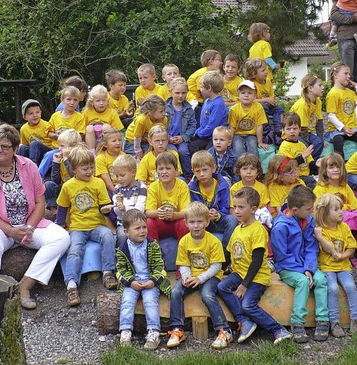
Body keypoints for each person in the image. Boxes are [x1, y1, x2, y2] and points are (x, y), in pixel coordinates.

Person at [0, 124, 70, 310]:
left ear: (15, 149)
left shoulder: (28, 166)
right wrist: (10, 230)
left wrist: (30, 228)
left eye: (4, 146)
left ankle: (25, 287)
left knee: (61, 238)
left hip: (27, 225)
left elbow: (41, 203)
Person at [217, 187, 293, 344]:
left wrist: (244, 285)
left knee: (248, 305)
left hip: (256, 276)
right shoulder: (238, 229)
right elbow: (228, 254)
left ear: (253, 209)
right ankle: (245, 322)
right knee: (222, 287)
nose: (236, 211)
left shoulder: (257, 230)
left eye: (241, 207)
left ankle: (279, 330)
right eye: (235, 206)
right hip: (239, 272)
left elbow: (257, 260)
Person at [56, 146, 117, 307]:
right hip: (77, 227)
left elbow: (105, 205)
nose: (90, 171)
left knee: (108, 236)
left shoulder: (98, 183)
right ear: (74, 169)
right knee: (75, 248)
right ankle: (71, 285)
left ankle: (108, 272)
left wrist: (111, 217)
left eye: (92, 167)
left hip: (97, 225)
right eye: (85, 168)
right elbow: (62, 208)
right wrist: (60, 225)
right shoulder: (68, 186)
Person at [168, 202, 233, 350]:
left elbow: (217, 266)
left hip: (211, 275)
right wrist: (186, 276)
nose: (196, 226)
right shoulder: (184, 241)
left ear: (207, 222)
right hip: (192, 275)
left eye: (199, 222)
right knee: (176, 292)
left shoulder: (213, 241)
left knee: (207, 294)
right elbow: (183, 263)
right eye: (192, 222)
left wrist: (200, 279)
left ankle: (224, 330)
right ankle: (177, 329)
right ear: (186, 223)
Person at [271, 185, 329, 343]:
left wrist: (309, 268)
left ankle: (323, 320)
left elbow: (311, 247)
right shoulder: (280, 227)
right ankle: (297, 322)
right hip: (287, 267)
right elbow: (282, 257)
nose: (311, 212)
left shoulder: (308, 221)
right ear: (295, 210)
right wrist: (303, 272)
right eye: (309, 209)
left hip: (306, 265)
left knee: (321, 280)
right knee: (302, 282)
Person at [116, 209, 170, 350]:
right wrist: (131, 282)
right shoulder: (122, 249)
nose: (142, 231)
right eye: (137, 228)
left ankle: (153, 332)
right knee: (127, 301)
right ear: (126, 232)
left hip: (149, 280)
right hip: (132, 281)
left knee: (150, 301)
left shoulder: (152, 245)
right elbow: (120, 269)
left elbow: (160, 265)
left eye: (144, 227)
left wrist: (153, 281)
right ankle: (125, 331)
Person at [313, 193, 357, 337]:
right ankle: (334, 322)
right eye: (336, 209)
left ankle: (356, 320)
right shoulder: (320, 230)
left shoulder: (344, 227)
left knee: (351, 287)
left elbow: (351, 247)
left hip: (343, 266)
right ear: (324, 213)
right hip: (327, 267)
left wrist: (343, 256)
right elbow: (327, 248)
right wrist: (321, 238)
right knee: (332, 289)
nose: (341, 211)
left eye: (341, 208)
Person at [313, 153, 357, 266]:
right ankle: (344, 249)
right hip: (329, 220)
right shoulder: (321, 188)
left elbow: (355, 206)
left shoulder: (345, 186)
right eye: (331, 167)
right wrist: (346, 210)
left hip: (346, 217)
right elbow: (319, 209)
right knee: (348, 215)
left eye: (338, 167)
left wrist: (354, 212)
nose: (336, 170)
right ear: (325, 170)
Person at [188, 151, 238, 255]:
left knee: (232, 220)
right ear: (193, 171)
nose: (202, 174)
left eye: (205, 170)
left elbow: (226, 207)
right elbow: (190, 209)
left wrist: (218, 215)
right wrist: (201, 216)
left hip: (217, 221)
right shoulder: (191, 188)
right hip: (200, 222)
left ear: (213, 168)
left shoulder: (223, 185)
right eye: (198, 171)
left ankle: (225, 255)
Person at [324, 62, 357, 158]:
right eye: (345, 73)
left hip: (353, 127)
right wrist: (343, 127)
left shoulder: (349, 92)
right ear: (335, 75)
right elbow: (331, 115)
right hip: (337, 129)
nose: (349, 76)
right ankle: (340, 164)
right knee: (338, 141)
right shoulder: (333, 94)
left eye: (349, 74)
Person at [144, 152, 191, 244]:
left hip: (176, 222)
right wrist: (158, 213)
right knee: (149, 222)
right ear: (156, 172)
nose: (164, 172)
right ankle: (154, 254)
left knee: (185, 224)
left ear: (176, 171)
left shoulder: (182, 185)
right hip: (160, 222)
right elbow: (148, 212)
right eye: (161, 169)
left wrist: (174, 215)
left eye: (168, 168)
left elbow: (187, 212)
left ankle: (183, 253)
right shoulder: (153, 186)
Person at [103, 154, 147, 245]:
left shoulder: (141, 187)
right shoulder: (117, 189)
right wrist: (117, 206)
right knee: (122, 236)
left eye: (122, 175)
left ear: (133, 172)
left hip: (138, 224)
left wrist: (125, 207)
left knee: (140, 234)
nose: (119, 179)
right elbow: (118, 213)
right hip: (123, 224)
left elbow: (140, 210)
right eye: (117, 176)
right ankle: (123, 256)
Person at [243, 57, 285, 144]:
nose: (266, 72)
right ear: (254, 74)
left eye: (266, 69)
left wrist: (271, 101)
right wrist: (266, 100)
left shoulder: (268, 81)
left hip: (269, 106)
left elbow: (272, 97)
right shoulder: (252, 84)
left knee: (279, 109)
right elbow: (251, 100)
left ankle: (278, 130)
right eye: (263, 70)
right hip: (257, 109)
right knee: (263, 106)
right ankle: (267, 131)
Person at [188, 71, 229, 154]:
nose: (200, 89)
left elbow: (212, 126)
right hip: (205, 134)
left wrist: (198, 134)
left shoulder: (218, 104)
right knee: (191, 145)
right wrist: (196, 132)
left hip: (215, 136)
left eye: (202, 87)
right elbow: (203, 124)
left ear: (209, 88)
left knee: (209, 153)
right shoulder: (207, 101)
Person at [43, 129, 82, 216]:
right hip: (63, 188)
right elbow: (55, 180)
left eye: (62, 146)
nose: (59, 149)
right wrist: (56, 163)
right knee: (48, 184)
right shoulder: (62, 159)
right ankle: (55, 212)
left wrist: (66, 160)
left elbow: (74, 176)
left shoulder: (79, 157)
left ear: (73, 146)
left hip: (77, 188)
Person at [228, 79, 269, 157]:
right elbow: (232, 127)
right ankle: (239, 166)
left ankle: (255, 166)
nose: (246, 95)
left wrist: (260, 142)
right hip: (238, 134)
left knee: (253, 145)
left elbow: (259, 126)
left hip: (251, 135)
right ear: (238, 95)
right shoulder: (234, 109)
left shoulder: (258, 107)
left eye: (249, 93)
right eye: (243, 93)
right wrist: (229, 141)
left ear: (255, 96)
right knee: (238, 147)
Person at [290, 73, 325, 162]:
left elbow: (319, 122)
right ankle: (307, 163)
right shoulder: (302, 105)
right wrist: (308, 143)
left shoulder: (318, 102)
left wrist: (322, 139)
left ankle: (313, 164)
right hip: (294, 132)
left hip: (306, 133)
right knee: (306, 146)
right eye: (320, 85)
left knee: (319, 142)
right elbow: (302, 128)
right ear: (310, 88)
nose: (323, 87)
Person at [165, 77, 196, 180]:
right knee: (173, 153)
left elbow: (192, 126)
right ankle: (175, 174)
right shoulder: (164, 107)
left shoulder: (189, 109)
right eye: (177, 93)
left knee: (184, 152)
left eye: (183, 93)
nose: (181, 96)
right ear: (170, 92)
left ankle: (188, 176)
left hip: (182, 138)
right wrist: (168, 137)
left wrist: (183, 137)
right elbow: (160, 125)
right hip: (168, 139)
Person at [230, 153, 271, 228]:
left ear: (258, 172)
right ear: (239, 171)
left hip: (257, 220)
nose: (249, 172)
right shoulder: (234, 188)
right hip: (239, 221)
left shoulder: (262, 188)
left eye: (252, 169)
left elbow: (264, 208)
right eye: (245, 169)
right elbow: (232, 209)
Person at [278, 112, 316, 188]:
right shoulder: (284, 146)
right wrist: (302, 157)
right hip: (294, 177)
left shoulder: (302, 144)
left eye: (295, 128)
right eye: (288, 129)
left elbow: (310, 161)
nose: (292, 131)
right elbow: (287, 166)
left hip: (306, 175)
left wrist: (318, 164)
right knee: (312, 183)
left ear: (299, 129)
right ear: (283, 130)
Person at [124, 95, 167, 159]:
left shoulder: (164, 119)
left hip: (147, 141)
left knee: (153, 154)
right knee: (136, 157)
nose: (164, 113)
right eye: (161, 111)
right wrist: (138, 150)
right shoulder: (141, 120)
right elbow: (137, 137)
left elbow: (162, 134)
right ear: (150, 113)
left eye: (164, 110)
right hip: (132, 140)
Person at [83, 85, 124, 150]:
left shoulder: (112, 112)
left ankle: (104, 150)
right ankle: (92, 152)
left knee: (106, 127)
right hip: (91, 139)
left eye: (104, 100)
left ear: (107, 101)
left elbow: (117, 130)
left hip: (106, 139)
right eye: (98, 101)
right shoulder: (87, 112)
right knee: (89, 128)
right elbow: (83, 130)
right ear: (92, 102)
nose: (101, 103)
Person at [17, 99, 54, 166]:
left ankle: (33, 168)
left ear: (41, 113)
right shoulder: (24, 129)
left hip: (47, 153)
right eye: (31, 113)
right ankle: (19, 168)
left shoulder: (47, 125)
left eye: (37, 112)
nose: (35, 115)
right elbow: (25, 145)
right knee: (22, 147)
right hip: (33, 153)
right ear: (25, 117)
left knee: (34, 144)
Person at [95, 127, 124, 193]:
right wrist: (117, 193)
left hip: (122, 186)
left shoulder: (124, 156)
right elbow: (108, 183)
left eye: (120, 140)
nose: (118, 143)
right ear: (105, 144)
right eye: (114, 141)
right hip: (107, 189)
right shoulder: (101, 158)